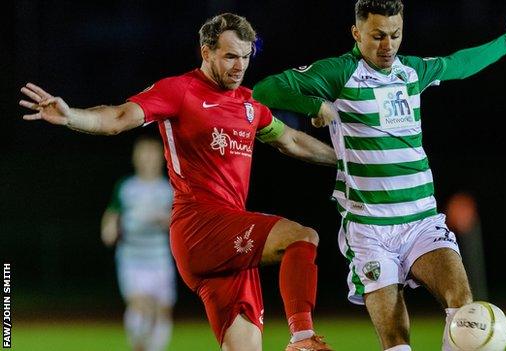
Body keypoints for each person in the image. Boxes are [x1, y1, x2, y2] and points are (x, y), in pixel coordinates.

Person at [19, 13, 336, 351]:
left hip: (229, 236)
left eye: (245, 56)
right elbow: (117, 118)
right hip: (200, 226)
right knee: (302, 237)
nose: (239, 65)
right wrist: (71, 116)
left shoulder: (250, 103)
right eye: (230, 56)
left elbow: (291, 141)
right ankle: (303, 338)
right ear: (206, 52)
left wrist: (349, 161)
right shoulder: (179, 91)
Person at [252, 1, 506, 350]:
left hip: (421, 222)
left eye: (395, 35)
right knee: (396, 340)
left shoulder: (410, 72)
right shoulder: (339, 73)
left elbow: (458, 64)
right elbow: (265, 90)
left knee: (464, 306)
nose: (388, 46)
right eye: (378, 36)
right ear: (357, 33)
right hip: (370, 230)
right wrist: (316, 105)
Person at [101, 136, 175, 351]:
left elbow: (181, 221)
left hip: (160, 257)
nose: (147, 158)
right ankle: (138, 346)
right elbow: (113, 214)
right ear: (135, 157)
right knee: (140, 306)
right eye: (142, 153)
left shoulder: (169, 187)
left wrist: (165, 220)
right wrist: (109, 229)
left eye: (151, 153)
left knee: (162, 311)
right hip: (132, 256)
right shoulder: (126, 187)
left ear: (161, 157)